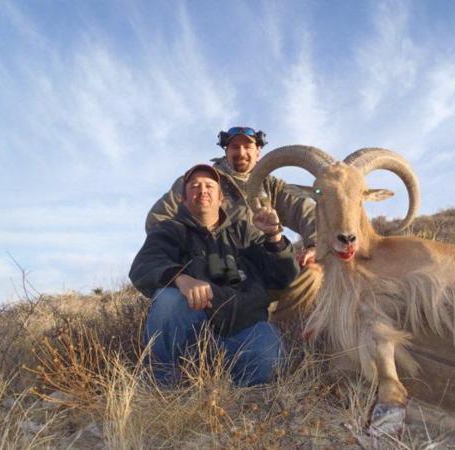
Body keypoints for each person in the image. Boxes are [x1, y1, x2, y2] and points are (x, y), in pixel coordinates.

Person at [129, 164, 299, 386]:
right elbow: (143, 266)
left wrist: (274, 237)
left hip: (242, 327)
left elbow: (283, 276)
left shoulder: (245, 231)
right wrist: (181, 279)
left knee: (269, 364)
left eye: (209, 186)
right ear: (183, 198)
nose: (202, 190)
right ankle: (164, 383)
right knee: (169, 300)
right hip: (193, 333)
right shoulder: (169, 230)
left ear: (221, 198)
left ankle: (235, 391)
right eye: (194, 186)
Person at [145, 126, 319, 320]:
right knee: (177, 301)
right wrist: (194, 261)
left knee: (313, 271)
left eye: (248, 147)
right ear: (226, 150)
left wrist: (315, 244)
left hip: (263, 270)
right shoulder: (202, 181)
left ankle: (279, 326)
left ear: (258, 151)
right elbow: (157, 219)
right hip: (213, 276)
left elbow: (307, 212)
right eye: (235, 147)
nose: (241, 152)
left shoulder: (272, 186)